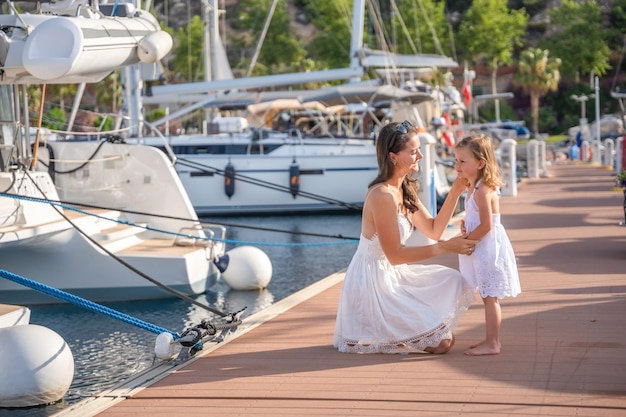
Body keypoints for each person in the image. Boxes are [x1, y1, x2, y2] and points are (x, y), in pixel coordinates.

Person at [333, 120, 477, 355]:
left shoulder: (403, 189)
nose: (420, 155)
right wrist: (447, 248)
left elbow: (434, 230)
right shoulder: (382, 196)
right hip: (373, 283)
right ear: (393, 157)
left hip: (393, 276)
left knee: (451, 279)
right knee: (442, 344)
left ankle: (399, 331)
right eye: (413, 151)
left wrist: (456, 190)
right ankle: (386, 331)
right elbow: (396, 256)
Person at [454, 134, 522, 356]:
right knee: (487, 296)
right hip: (480, 244)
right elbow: (477, 221)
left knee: (490, 297)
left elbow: (487, 225)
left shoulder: (483, 190)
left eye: (463, 161)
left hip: (487, 248)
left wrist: (469, 240)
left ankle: (493, 343)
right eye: (456, 160)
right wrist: (467, 228)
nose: (458, 165)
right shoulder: (472, 188)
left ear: (480, 163)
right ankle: (490, 339)